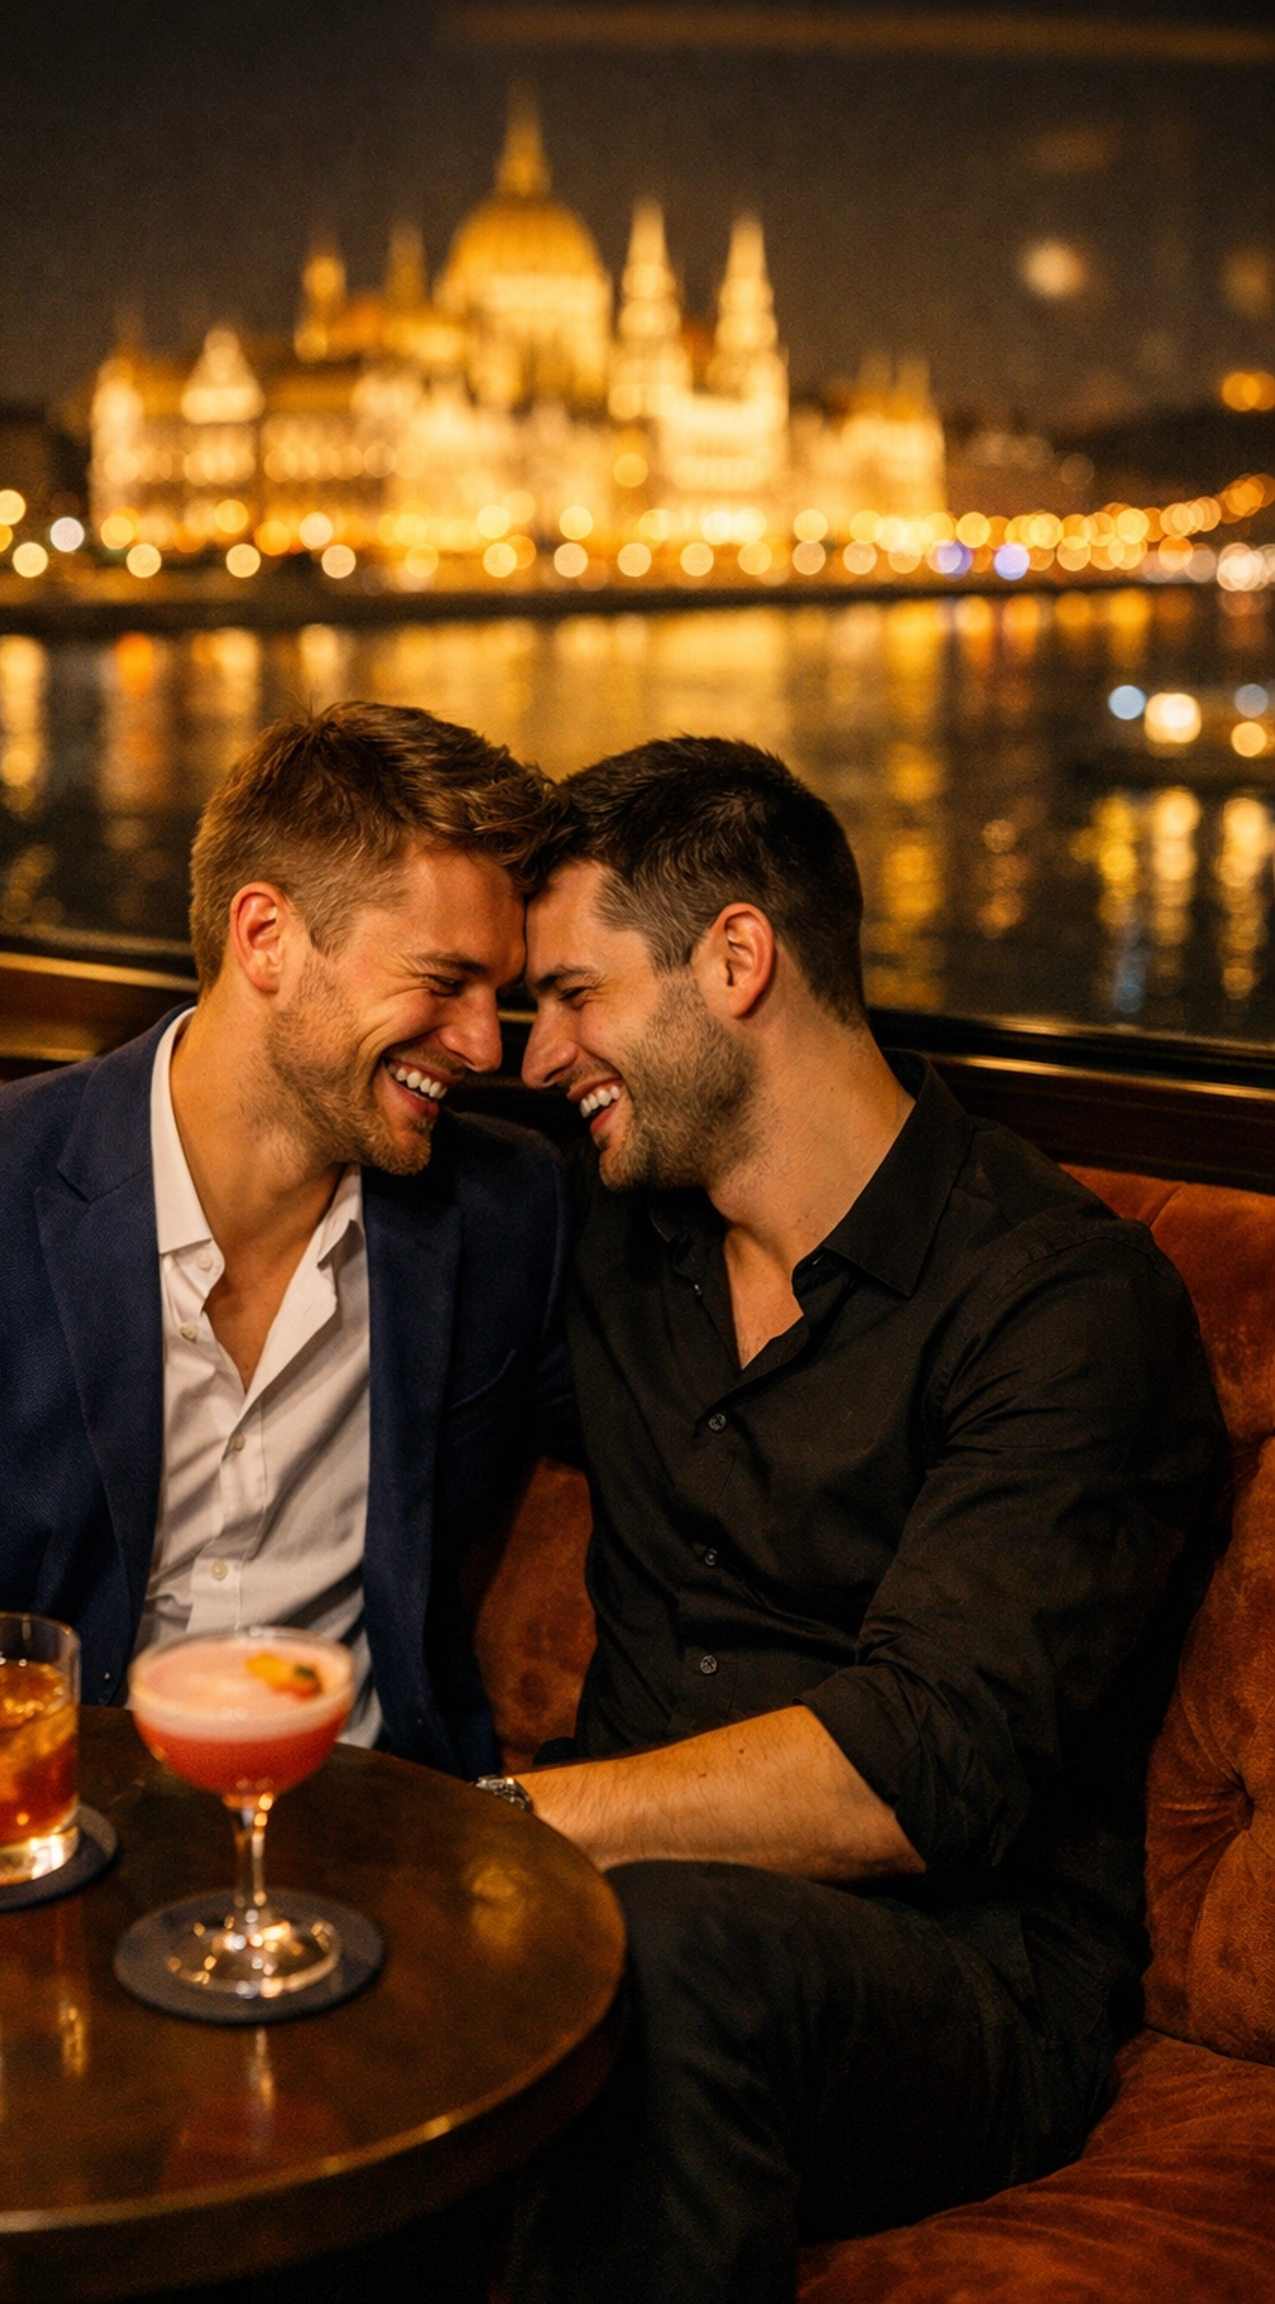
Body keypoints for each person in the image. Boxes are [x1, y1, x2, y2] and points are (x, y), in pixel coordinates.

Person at [504, 736, 1225, 2302]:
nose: (537, 1057)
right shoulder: (609, 1234)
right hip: (598, 1916)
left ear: (737, 961)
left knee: (662, 1954)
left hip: (958, 1982)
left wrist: (499, 1830)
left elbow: (921, 1770)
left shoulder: (1058, 1301)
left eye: (571, 995)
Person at [0, 703, 572, 1775]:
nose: (483, 1044)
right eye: (444, 980)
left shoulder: (510, 1209)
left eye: (500, 994)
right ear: (265, 937)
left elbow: (688, 1444)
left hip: (376, 1826)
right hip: (46, 1821)